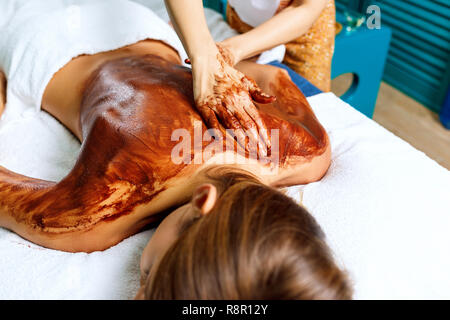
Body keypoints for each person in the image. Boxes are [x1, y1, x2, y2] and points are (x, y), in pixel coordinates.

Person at [0, 0, 351, 299]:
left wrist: (214, 68)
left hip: (145, 26)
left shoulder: (307, 152)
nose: (137, 293)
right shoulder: (99, 209)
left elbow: (273, 79)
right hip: (48, 41)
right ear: (202, 203)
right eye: (148, 276)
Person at [223, 0, 336, 92]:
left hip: (305, 29)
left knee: (306, 101)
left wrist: (232, 49)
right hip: (243, 21)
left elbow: (306, 8)